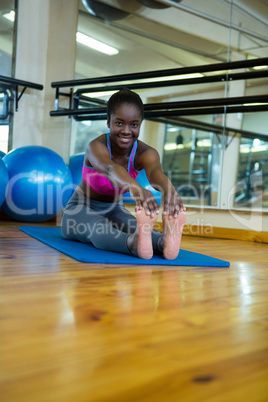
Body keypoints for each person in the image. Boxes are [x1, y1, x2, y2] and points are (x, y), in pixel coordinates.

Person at [61, 88, 186, 260]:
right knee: (98, 229)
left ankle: (162, 242)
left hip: (115, 208)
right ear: (108, 122)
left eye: (133, 125)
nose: (126, 130)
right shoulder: (96, 147)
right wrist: (135, 187)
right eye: (119, 123)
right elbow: (111, 169)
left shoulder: (146, 153)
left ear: (140, 124)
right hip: (80, 208)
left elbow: (155, 171)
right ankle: (132, 244)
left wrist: (168, 190)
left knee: (134, 225)